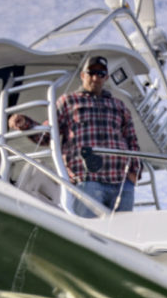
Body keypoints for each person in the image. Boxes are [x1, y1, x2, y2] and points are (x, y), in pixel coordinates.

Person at [54, 55, 142, 216]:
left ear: (106, 77)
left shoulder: (119, 105)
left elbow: (132, 141)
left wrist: (135, 172)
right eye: (91, 73)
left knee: (121, 235)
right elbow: (48, 134)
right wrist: (24, 124)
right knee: (87, 232)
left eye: (100, 74)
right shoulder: (67, 101)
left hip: (122, 183)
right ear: (82, 75)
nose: (95, 78)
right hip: (86, 181)